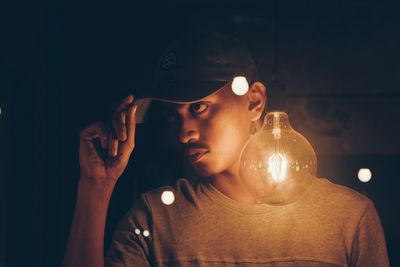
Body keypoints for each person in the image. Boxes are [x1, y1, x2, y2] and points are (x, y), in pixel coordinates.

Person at [62, 32, 389, 267]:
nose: (184, 133)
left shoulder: (348, 219)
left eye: (199, 107)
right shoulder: (155, 220)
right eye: (171, 116)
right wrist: (96, 186)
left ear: (254, 100)